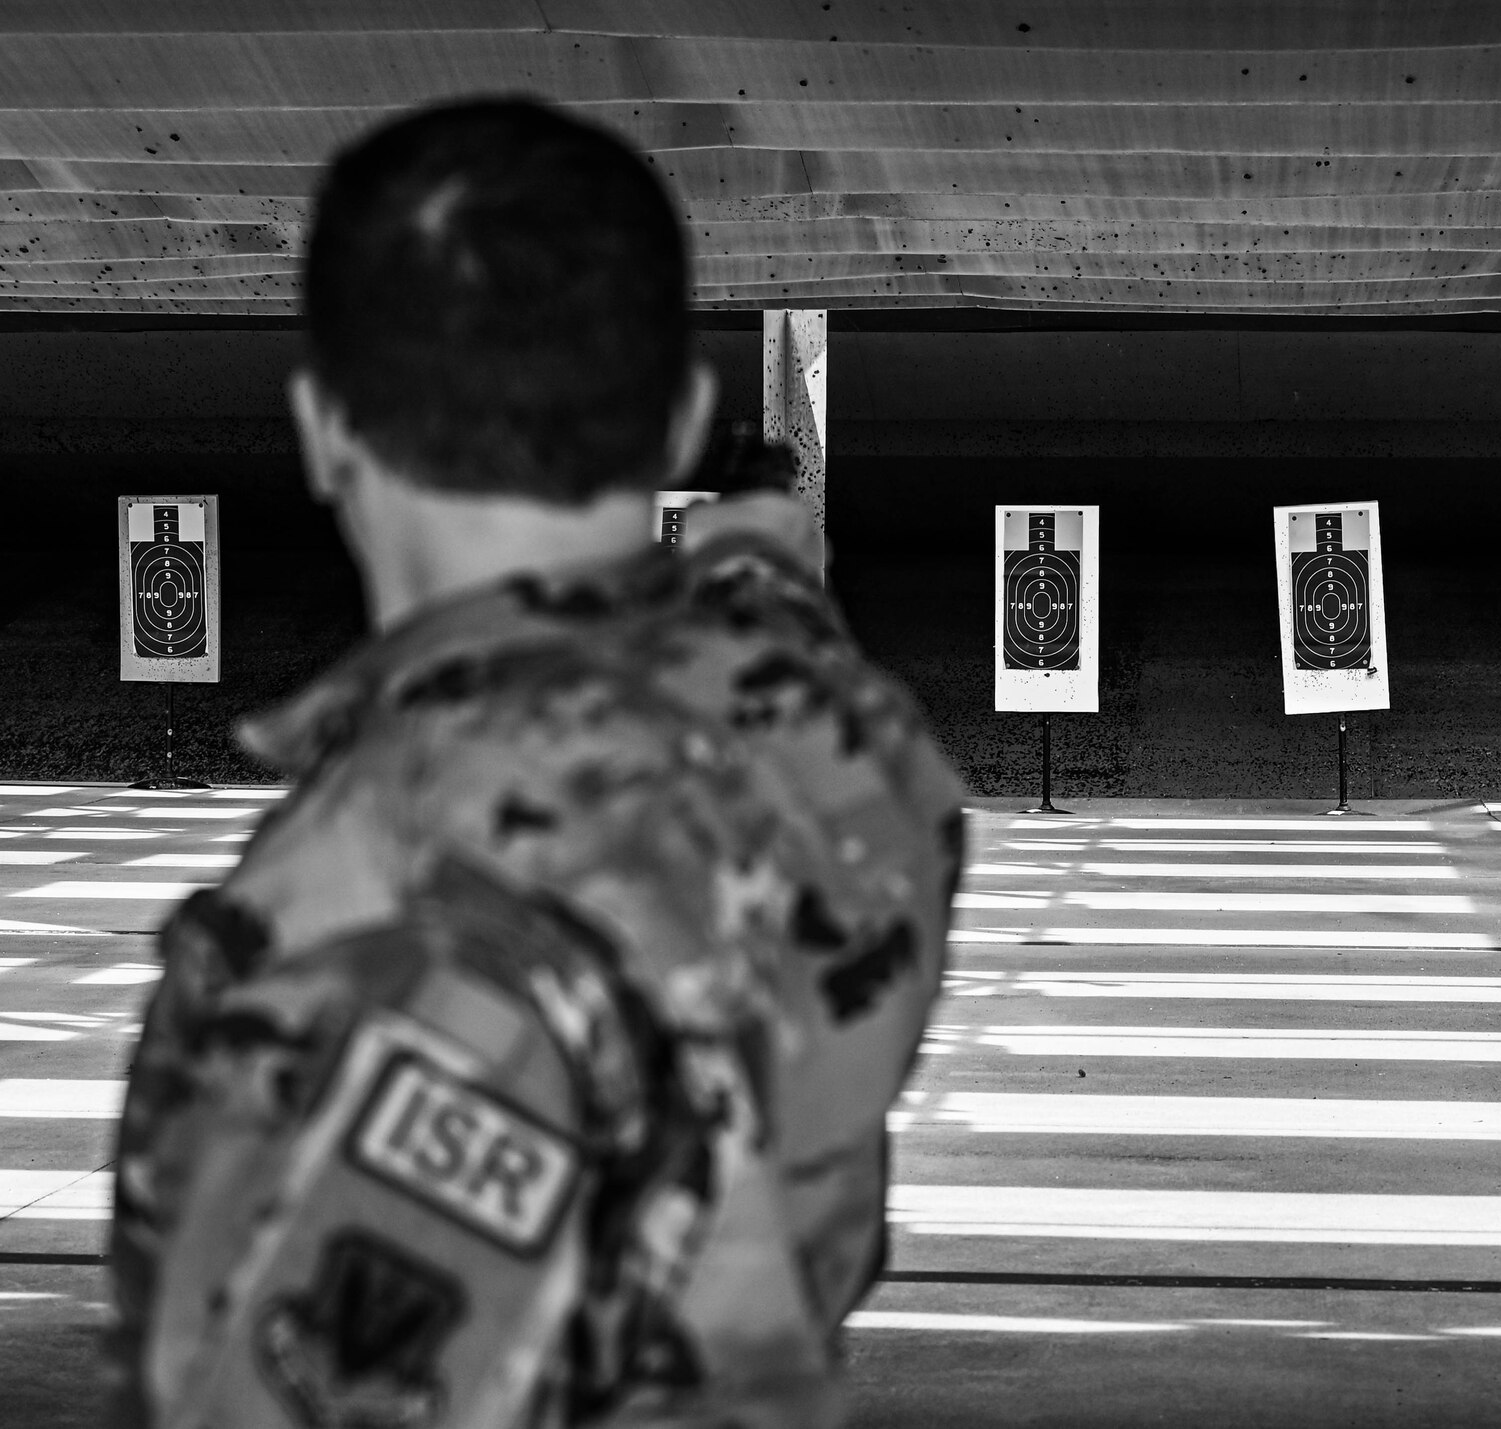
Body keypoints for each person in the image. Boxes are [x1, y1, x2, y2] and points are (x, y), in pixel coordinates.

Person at [108, 98, 964, 1428]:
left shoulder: (377, 917)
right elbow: (767, 671)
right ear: (680, 421)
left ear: (326, 429)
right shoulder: (849, 762)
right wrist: (757, 556)